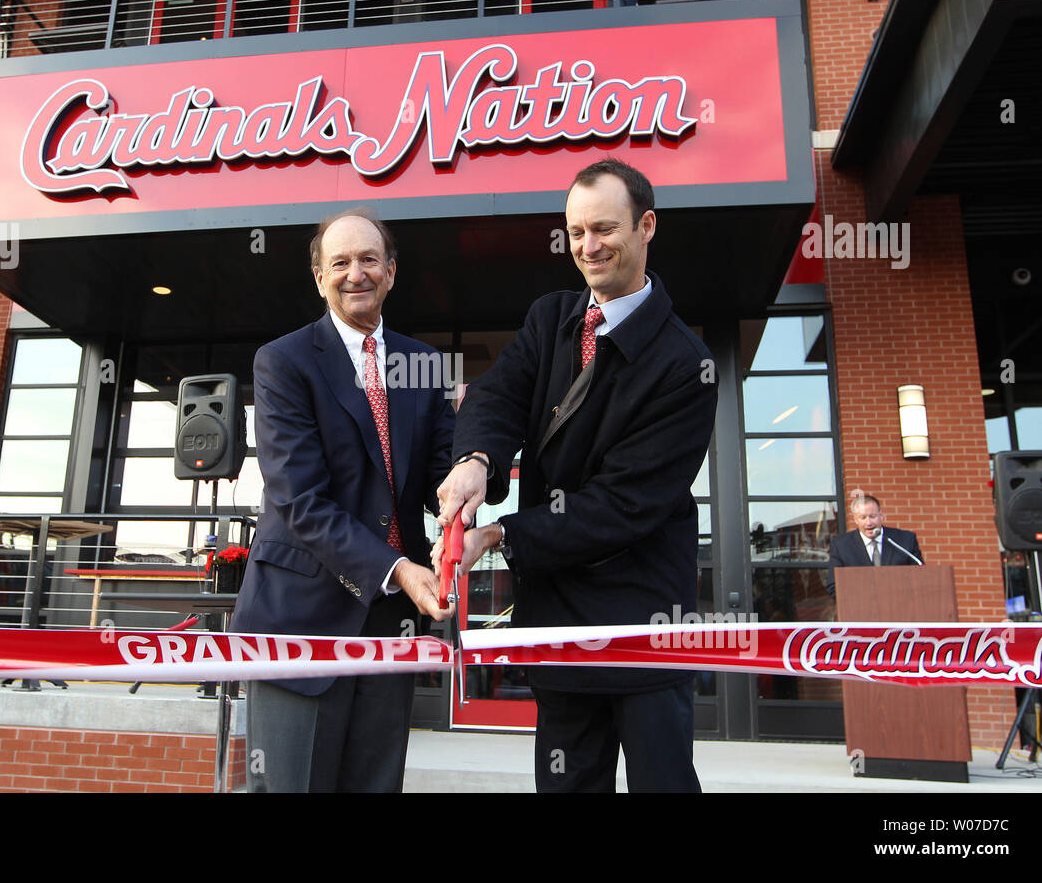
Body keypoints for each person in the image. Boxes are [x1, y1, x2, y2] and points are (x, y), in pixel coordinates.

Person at [435, 157, 717, 792]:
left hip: (643, 629)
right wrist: (476, 461)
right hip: (560, 625)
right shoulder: (550, 317)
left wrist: (502, 536)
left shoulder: (686, 365)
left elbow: (624, 505)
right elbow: (497, 395)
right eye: (576, 231)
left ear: (647, 227)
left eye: (605, 229)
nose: (588, 247)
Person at [231, 207, 456, 792]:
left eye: (368, 260)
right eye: (340, 262)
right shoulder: (283, 362)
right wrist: (398, 568)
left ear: (391, 272)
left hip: (391, 624)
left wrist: (475, 461)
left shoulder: (423, 365)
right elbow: (299, 499)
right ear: (319, 277)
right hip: (299, 614)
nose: (355, 273)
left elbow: (442, 479)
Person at [826, 493, 924, 595]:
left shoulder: (905, 540)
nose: (869, 523)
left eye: (872, 516)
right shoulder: (841, 546)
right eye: (863, 517)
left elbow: (920, 577)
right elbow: (834, 586)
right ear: (855, 520)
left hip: (901, 605)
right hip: (860, 608)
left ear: (881, 516)